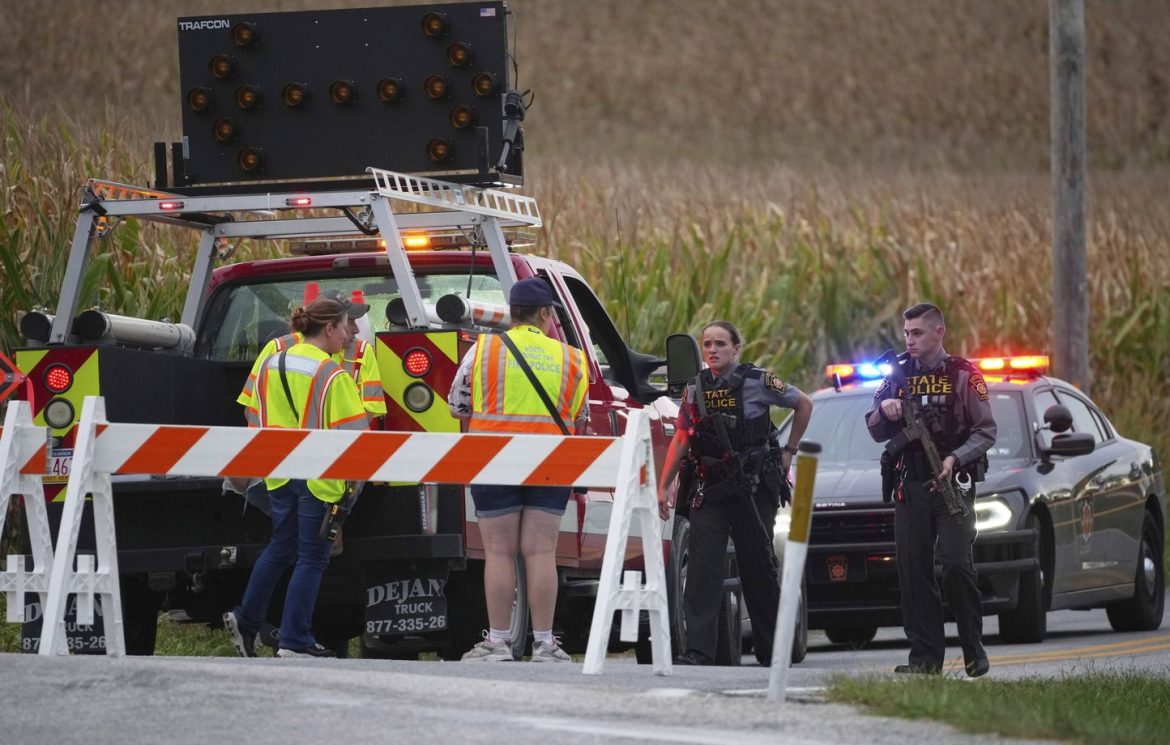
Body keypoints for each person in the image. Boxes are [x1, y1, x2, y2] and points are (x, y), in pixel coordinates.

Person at [446, 277, 589, 662]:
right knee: (541, 552)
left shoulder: (483, 350)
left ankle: (497, 642)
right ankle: (544, 643)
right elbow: (581, 415)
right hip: (551, 461)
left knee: (499, 552)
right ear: (544, 313)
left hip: (494, 460)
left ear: (512, 314)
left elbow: (456, 404)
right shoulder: (571, 358)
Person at [657, 321, 813, 666]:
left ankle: (773, 649)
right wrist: (664, 484)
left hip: (753, 486)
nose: (713, 350)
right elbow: (682, 438)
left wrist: (789, 451)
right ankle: (699, 651)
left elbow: (803, 404)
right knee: (701, 567)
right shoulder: (694, 389)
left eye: (721, 344)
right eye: (707, 344)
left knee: (758, 564)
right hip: (711, 487)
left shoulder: (759, 381)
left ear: (736, 348)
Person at [223, 297, 368, 658]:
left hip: (278, 475)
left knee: (281, 546)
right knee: (312, 558)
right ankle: (294, 639)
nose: (350, 335)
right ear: (330, 328)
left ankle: (246, 618)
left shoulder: (272, 363)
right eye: (346, 326)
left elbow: (252, 418)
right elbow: (357, 438)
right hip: (320, 480)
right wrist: (351, 493)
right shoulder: (331, 374)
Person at [865, 302, 996, 677]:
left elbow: (986, 430)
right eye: (906, 333)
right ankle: (924, 659)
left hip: (952, 482)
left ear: (939, 332)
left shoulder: (964, 374)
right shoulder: (895, 375)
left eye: (917, 332)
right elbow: (874, 430)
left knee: (955, 563)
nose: (909, 340)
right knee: (913, 571)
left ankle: (973, 648)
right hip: (911, 485)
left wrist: (955, 458)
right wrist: (885, 408)